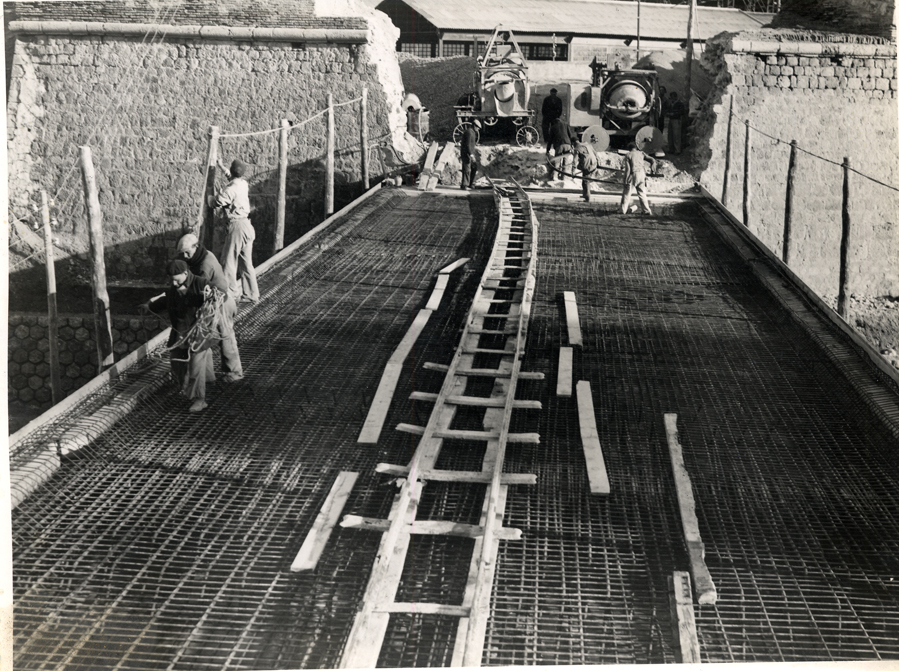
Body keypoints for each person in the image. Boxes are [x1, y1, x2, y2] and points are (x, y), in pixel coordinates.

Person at [142, 260, 221, 413]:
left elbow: (217, 296)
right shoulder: (174, 287)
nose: (173, 282)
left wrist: (190, 296)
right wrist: (149, 307)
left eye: (176, 278)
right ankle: (195, 385)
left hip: (199, 331)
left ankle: (200, 399)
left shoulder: (201, 283)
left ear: (185, 273)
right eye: (171, 279)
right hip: (179, 331)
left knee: (195, 366)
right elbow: (166, 300)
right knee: (176, 360)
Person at [177, 233, 243, 383]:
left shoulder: (204, 265)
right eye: (183, 253)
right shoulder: (202, 255)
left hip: (221, 303)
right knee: (204, 338)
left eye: (187, 252)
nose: (186, 256)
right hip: (213, 301)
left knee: (225, 336)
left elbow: (199, 289)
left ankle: (235, 372)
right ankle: (208, 377)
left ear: (196, 246)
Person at [211, 158, 260, 304]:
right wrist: (221, 165)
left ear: (233, 171)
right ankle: (252, 294)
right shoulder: (243, 184)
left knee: (228, 261)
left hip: (237, 226)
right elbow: (231, 177)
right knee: (246, 263)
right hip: (247, 226)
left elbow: (217, 202)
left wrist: (210, 198)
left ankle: (230, 295)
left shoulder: (231, 189)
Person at [620, 141, 656, 216]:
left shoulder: (628, 155)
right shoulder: (641, 153)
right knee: (642, 194)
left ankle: (622, 210)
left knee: (627, 194)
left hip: (633, 175)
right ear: (636, 148)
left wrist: (625, 180)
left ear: (629, 149)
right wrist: (653, 167)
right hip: (642, 175)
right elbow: (652, 160)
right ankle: (646, 211)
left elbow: (628, 170)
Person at [546, 116, 574, 181]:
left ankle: (555, 177)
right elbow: (570, 135)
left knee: (557, 161)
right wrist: (572, 145)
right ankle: (563, 177)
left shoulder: (553, 127)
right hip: (567, 145)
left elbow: (550, 140)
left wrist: (548, 150)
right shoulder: (566, 124)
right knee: (565, 161)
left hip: (559, 145)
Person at [460, 119, 481, 190]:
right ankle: (464, 185)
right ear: (474, 126)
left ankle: (470, 184)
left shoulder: (472, 132)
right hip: (466, 153)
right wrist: (471, 154)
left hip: (470, 153)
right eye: (477, 127)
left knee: (474, 168)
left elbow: (472, 145)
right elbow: (468, 145)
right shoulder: (469, 132)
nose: (478, 129)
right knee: (467, 169)